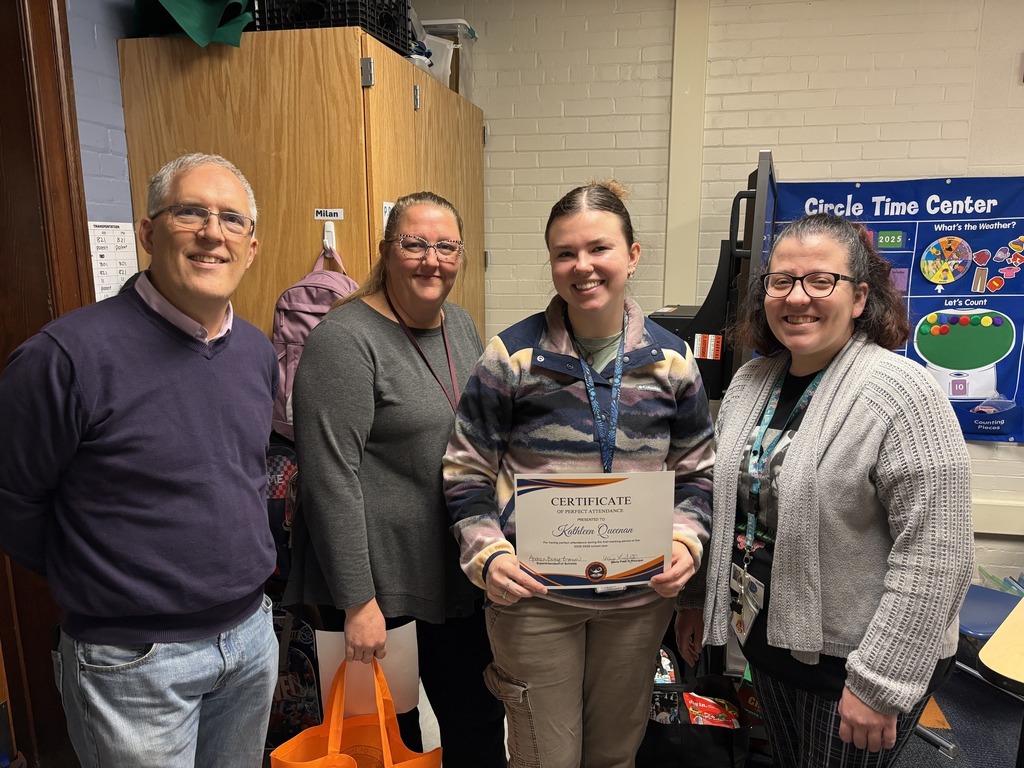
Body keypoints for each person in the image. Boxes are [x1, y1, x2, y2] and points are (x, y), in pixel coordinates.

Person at [0, 152, 279, 767]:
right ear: (148, 232)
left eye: (232, 220)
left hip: (250, 639)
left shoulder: (257, 352)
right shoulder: (65, 358)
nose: (213, 233)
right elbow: (16, 505)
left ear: (251, 246)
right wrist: (108, 579)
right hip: (131, 661)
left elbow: (244, 478)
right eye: (190, 213)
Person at [681, 212, 974, 767]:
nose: (798, 298)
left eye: (821, 281)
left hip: (857, 663)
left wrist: (879, 684)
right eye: (782, 281)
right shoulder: (751, 381)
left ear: (860, 297)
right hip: (772, 643)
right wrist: (698, 598)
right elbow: (721, 503)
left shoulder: (901, 393)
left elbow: (938, 555)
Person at [443, 181, 715, 768]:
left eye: (599, 249)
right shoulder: (511, 357)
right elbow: (465, 468)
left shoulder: (672, 362)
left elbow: (696, 469)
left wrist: (686, 540)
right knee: (547, 759)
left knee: (615, 756)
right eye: (565, 253)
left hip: (639, 600)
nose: (582, 266)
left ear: (633, 255)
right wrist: (486, 555)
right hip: (537, 598)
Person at [283, 191, 507, 767]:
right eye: (414, 244)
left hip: (453, 575)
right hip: (377, 590)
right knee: (383, 743)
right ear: (386, 251)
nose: (432, 259)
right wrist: (357, 603)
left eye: (446, 246)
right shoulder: (343, 340)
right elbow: (329, 478)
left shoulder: (459, 323)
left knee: (478, 725)